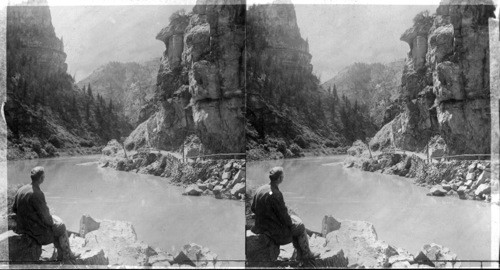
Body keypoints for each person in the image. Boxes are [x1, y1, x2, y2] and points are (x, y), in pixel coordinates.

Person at [250, 166, 319, 262]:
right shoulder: (276, 193)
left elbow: (253, 208)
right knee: (300, 226)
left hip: (260, 227)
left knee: (295, 220)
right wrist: (292, 224)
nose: (283, 177)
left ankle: (299, 255)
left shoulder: (260, 189)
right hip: (273, 232)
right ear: (279, 179)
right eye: (283, 176)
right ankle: (306, 254)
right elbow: (285, 218)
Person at [12, 166, 77, 263]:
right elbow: (48, 220)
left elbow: (14, 209)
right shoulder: (37, 193)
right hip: (34, 232)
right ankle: (67, 255)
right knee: (61, 226)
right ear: (41, 178)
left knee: (55, 222)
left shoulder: (21, 189)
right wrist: (52, 223)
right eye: (44, 177)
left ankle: (59, 254)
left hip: (22, 227)